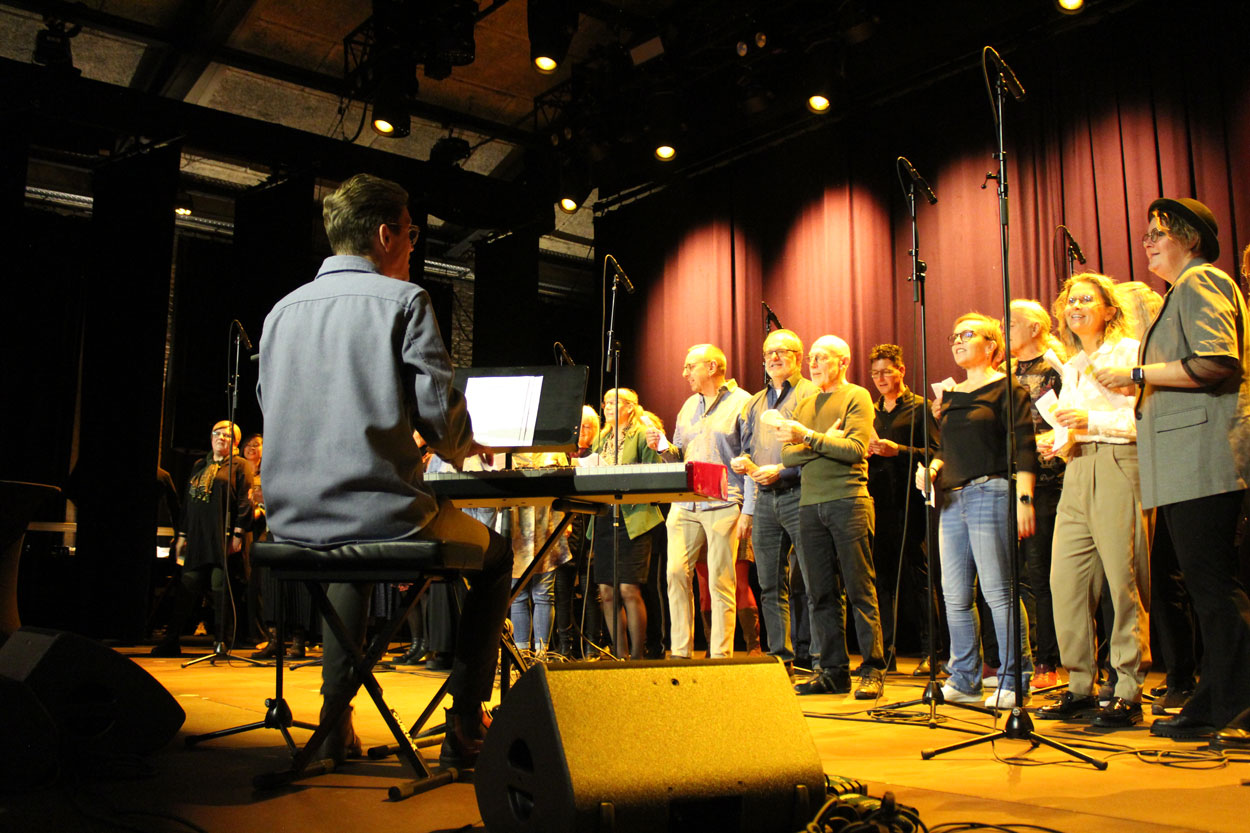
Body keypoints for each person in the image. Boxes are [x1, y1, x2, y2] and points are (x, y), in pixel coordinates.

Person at [257, 173, 512, 766]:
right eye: (411, 232)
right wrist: (467, 446)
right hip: (380, 514)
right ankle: (465, 724)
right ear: (385, 234)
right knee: (496, 557)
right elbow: (439, 420)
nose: (413, 245)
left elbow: (272, 406)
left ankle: (334, 723)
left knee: (349, 564)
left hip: (291, 520)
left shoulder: (279, 313)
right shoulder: (405, 300)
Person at [1096, 198, 1250, 746]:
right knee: (1207, 589)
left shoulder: (1202, 280)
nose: (1147, 242)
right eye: (1146, 234)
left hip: (1206, 457)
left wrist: (1136, 374)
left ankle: (1238, 708)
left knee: (1214, 588)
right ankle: (1216, 701)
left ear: (1191, 238)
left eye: (1158, 233)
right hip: (1187, 462)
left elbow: (1217, 361)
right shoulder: (1182, 290)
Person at [1033, 273, 1151, 728]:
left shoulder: (1131, 353)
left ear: (1110, 310)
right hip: (1078, 469)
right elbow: (1073, 423)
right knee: (1067, 581)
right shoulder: (1073, 364)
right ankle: (1080, 685)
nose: (1075, 306)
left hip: (1120, 463)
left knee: (1124, 580)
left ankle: (1128, 690)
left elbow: (1144, 422)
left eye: (1086, 299)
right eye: (1070, 300)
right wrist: (1061, 440)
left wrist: (1090, 421)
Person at [917, 313, 1035, 710]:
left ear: (991, 345)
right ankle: (964, 678)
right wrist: (933, 468)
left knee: (998, 591)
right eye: (954, 335)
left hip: (991, 490)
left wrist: (1025, 499)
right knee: (954, 594)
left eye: (968, 334)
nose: (958, 340)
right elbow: (946, 449)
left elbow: (1024, 446)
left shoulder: (1007, 387)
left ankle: (1014, 678)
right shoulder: (949, 397)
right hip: (952, 498)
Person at [779, 335, 886, 700]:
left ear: (843, 361)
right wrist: (823, 440)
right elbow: (787, 457)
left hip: (848, 501)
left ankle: (872, 669)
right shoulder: (805, 403)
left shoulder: (857, 396)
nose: (813, 363)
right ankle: (832, 672)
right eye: (811, 357)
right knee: (819, 592)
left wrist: (808, 438)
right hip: (809, 505)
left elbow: (855, 450)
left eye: (821, 357)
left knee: (859, 589)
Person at [646, 344, 753, 659]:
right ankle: (681, 652)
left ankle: (721, 654)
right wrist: (662, 446)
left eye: (689, 367)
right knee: (675, 573)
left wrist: (748, 509)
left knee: (721, 579)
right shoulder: (688, 406)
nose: (684, 374)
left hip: (723, 501)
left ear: (711, 367)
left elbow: (751, 457)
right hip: (685, 503)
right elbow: (679, 456)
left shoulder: (742, 402)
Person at [732, 329, 819, 674]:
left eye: (782, 351)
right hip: (765, 499)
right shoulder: (754, 402)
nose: (774, 358)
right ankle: (781, 657)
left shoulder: (811, 393)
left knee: (812, 580)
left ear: (799, 357)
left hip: (802, 493)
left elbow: (818, 446)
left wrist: (783, 469)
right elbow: (748, 449)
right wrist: (745, 468)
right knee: (769, 583)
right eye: (769, 352)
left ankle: (817, 658)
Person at [865, 343, 941, 677]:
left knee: (918, 577)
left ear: (901, 371)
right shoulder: (869, 411)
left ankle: (931, 652)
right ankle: (886, 653)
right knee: (881, 580)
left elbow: (936, 451)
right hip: (876, 502)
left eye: (886, 371)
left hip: (910, 502)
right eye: (875, 373)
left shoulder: (920, 407)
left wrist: (899, 450)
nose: (880, 378)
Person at [1004, 301, 1066, 689]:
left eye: (1011, 323)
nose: (1004, 330)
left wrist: (1052, 438)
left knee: (1041, 573)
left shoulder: (1055, 368)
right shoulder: (1005, 373)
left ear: (1035, 328)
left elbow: (1071, 417)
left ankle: (1049, 659)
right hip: (1009, 481)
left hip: (1048, 481)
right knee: (1014, 575)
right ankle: (1016, 658)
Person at [151, 421, 251, 656]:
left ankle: (222, 641)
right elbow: (188, 503)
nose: (221, 437)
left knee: (220, 589)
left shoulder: (239, 465)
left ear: (235, 442)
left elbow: (245, 501)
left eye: (227, 435)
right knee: (187, 586)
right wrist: (182, 535)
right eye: (217, 433)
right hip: (197, 537)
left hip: (221, 536)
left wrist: (238, 533)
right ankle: (171, 641)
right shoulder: (199, 465)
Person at [591, 388, 664, 659]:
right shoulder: (601, 438)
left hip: (634, 519)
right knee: (607, 591)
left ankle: (636, 657)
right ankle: (619, 656)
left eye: (615, 402)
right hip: (604, 518)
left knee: (629, 589)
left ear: (630, 407)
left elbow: (654, 472)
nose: (608, 407)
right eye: (606, 402)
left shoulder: (643, 434)